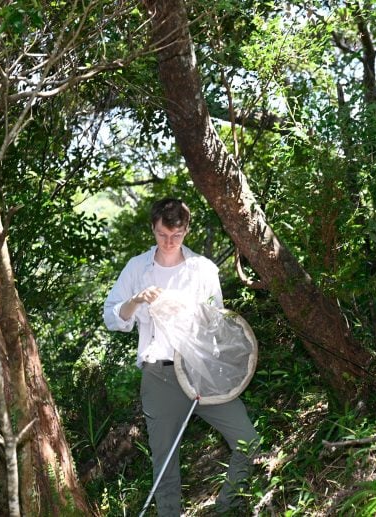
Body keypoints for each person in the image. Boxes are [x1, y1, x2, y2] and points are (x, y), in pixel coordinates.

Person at [104, 198, 259, 516]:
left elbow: (219, 323)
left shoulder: (203, 269)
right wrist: (135, 301)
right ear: (153, 229)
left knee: (248, 441)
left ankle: (226, 507)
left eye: (176, 235)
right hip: (159, 375)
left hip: (202, 372)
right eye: (162, 234)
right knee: (165, 468)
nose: (169, 242)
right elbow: (112, 317)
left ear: (186, 230)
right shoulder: (137, 268)